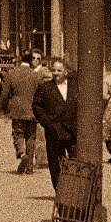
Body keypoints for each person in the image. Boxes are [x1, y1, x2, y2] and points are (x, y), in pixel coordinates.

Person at [32, 57, 78, 191]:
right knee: (55, 162)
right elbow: (36, 106)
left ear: (66, 72)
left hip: (73, 130)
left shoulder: (76, 86)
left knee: (75, 160)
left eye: (59, 70)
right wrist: (46, 121)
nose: (56, 73)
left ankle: (74, 189)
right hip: (54, 130)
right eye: (54, 70)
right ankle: (60, 190)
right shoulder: (45, 87)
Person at [1, 50, 44, 173]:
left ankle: (21, 153)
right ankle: (29, 166)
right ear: (31, 61)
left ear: (20, 60)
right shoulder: (36, 76)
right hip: (32, 111)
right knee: (31, 137)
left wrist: (4, 108)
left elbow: (5, 95)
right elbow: (41, 94)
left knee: (18, 134)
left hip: (17, 111)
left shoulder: (12, 73)